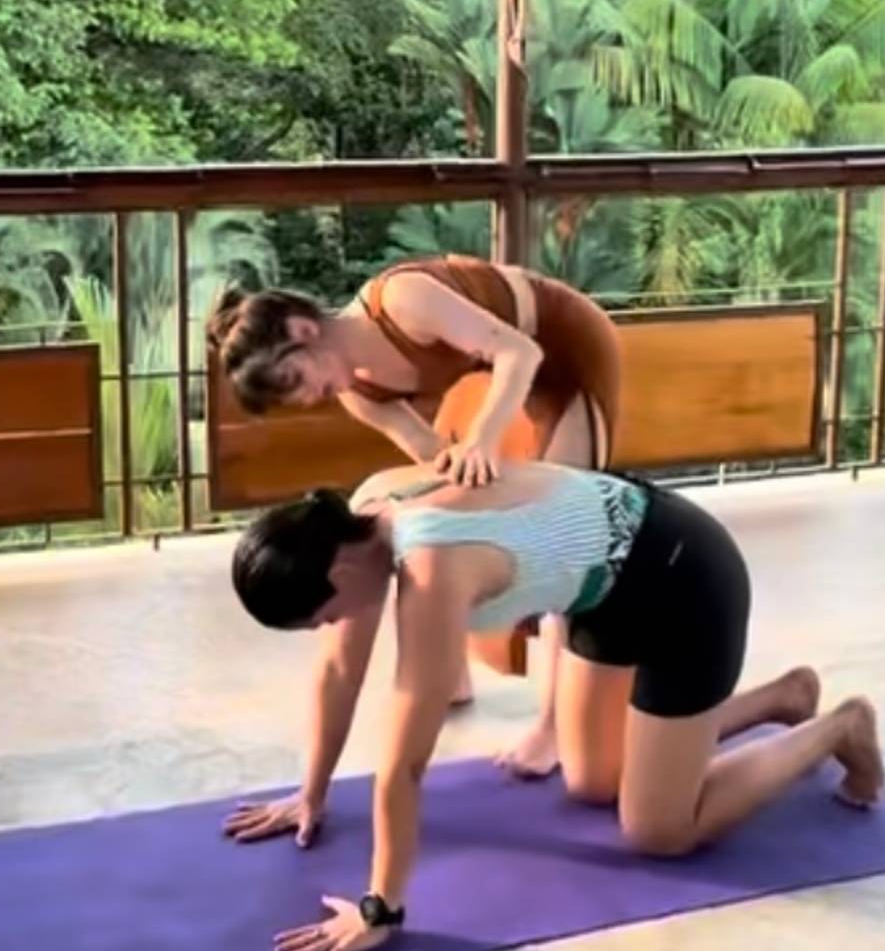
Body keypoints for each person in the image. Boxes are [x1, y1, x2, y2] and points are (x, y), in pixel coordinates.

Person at [220, 461, 885, 951]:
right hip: (607, 593)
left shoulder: (431, 568)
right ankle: (784, 696)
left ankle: (840, 726)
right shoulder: (361, 516)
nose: (332, 630)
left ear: (337, 576)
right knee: (594, 780)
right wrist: (310, 794)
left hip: (685, 581)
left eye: (324, 617)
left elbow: (405, 765)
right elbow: (339, 671)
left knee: (659, 830)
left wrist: (381, 910)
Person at [207, 254, 623, 777]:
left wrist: (483, 440)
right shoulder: (359, 394)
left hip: (559, 346)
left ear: (302, 329)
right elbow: (436, 465)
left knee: (558, 530)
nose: (307, 398)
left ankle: (551, 727)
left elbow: (520, 351)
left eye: (295, 378)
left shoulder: (403, 299)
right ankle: (453, 667)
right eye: (291, 397)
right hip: (490, 372)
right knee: (461, 514)